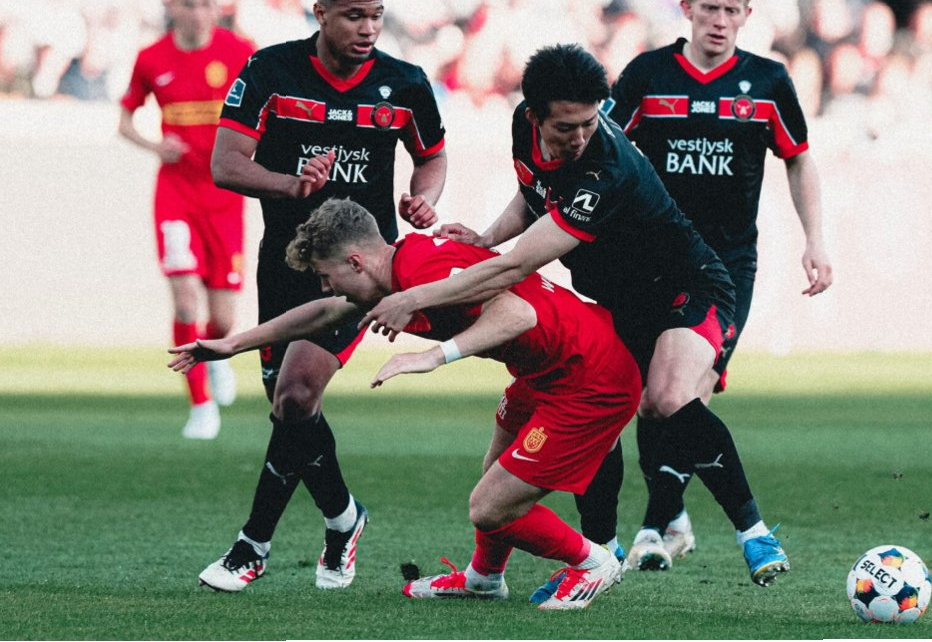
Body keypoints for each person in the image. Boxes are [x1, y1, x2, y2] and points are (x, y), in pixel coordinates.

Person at [361, 43, 793, 590]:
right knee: (601, 411)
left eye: (590, 122)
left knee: (665, 398)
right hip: (619, 301)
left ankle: (754, 532)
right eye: (567, 127)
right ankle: (604, 550)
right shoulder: (523, 128)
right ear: (534, 116)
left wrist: (414, 299)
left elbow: (516, 266)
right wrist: (487, 237)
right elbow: (532, 195)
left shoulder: (604, 168)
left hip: (687, 286)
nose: (581, 136)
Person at [169, 198, 635, 609]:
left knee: (490, 508)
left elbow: (518, 312)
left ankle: (593, 562)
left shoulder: (420, 270)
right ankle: (483, 579)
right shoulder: (398, 273)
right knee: (494, 476)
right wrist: (232, 345)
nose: (327, 287)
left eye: (326, 276)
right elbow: (326, 313)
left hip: (590, 378)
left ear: (355, 262)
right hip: (546, 371)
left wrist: (431, 357)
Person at [197, 0, 448, 592]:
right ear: (321, 13)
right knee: (292, 412)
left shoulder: (404, 84)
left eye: (376, 16)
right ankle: (343, 518)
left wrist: (423, 198)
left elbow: (432, 157)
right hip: (286, 262)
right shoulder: (271, 71)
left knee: (295, 396)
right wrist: (292, 184)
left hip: (360, 273)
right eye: (354, 16)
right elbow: (226, 164)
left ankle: (251, 546)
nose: (368, 29)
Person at [606, 0, 832, 573]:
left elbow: (798, 158)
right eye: (709, 7)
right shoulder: (648, 75)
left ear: (747, 15)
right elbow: (603, 152)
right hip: (652, 264)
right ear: (686, 9)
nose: (720, 20)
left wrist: (815, 239)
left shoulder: (767, 82)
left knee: (681, 393)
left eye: (732, 10)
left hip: (726, 269)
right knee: (654, 402)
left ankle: (659, 527)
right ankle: (673, 520)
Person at [118, 0, 255, 440]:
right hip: (175, 195)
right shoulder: (151, 58)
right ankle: (200, 406)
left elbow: (267, 110)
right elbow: (124, 120)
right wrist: (156, 146)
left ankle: (215, 356)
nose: (197, 13)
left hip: (225, 196)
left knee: (224, 317)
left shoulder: (240, 52)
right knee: (184, 300)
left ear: (217, 7)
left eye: (205, 4)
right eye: (188, 3)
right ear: (172, 5)